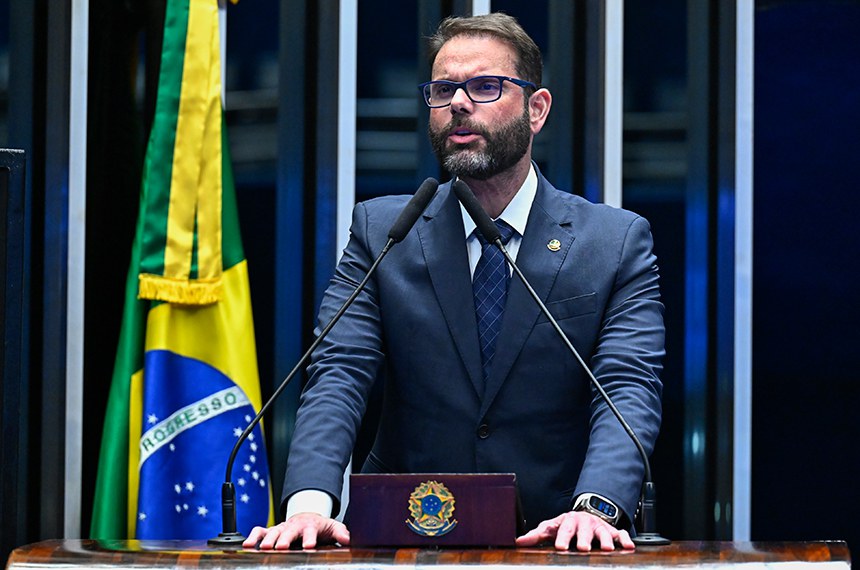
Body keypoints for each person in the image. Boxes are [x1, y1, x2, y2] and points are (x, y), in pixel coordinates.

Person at [245, 12, 664, 552]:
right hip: (402, 537)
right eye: (443, 90)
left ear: (536, 110)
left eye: (485, 86)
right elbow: (339, 373)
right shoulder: (383, 232)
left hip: (558, 539)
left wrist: (597, 506)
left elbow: (626, 386)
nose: (458, 104)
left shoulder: (614, 242)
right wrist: (309, 504)